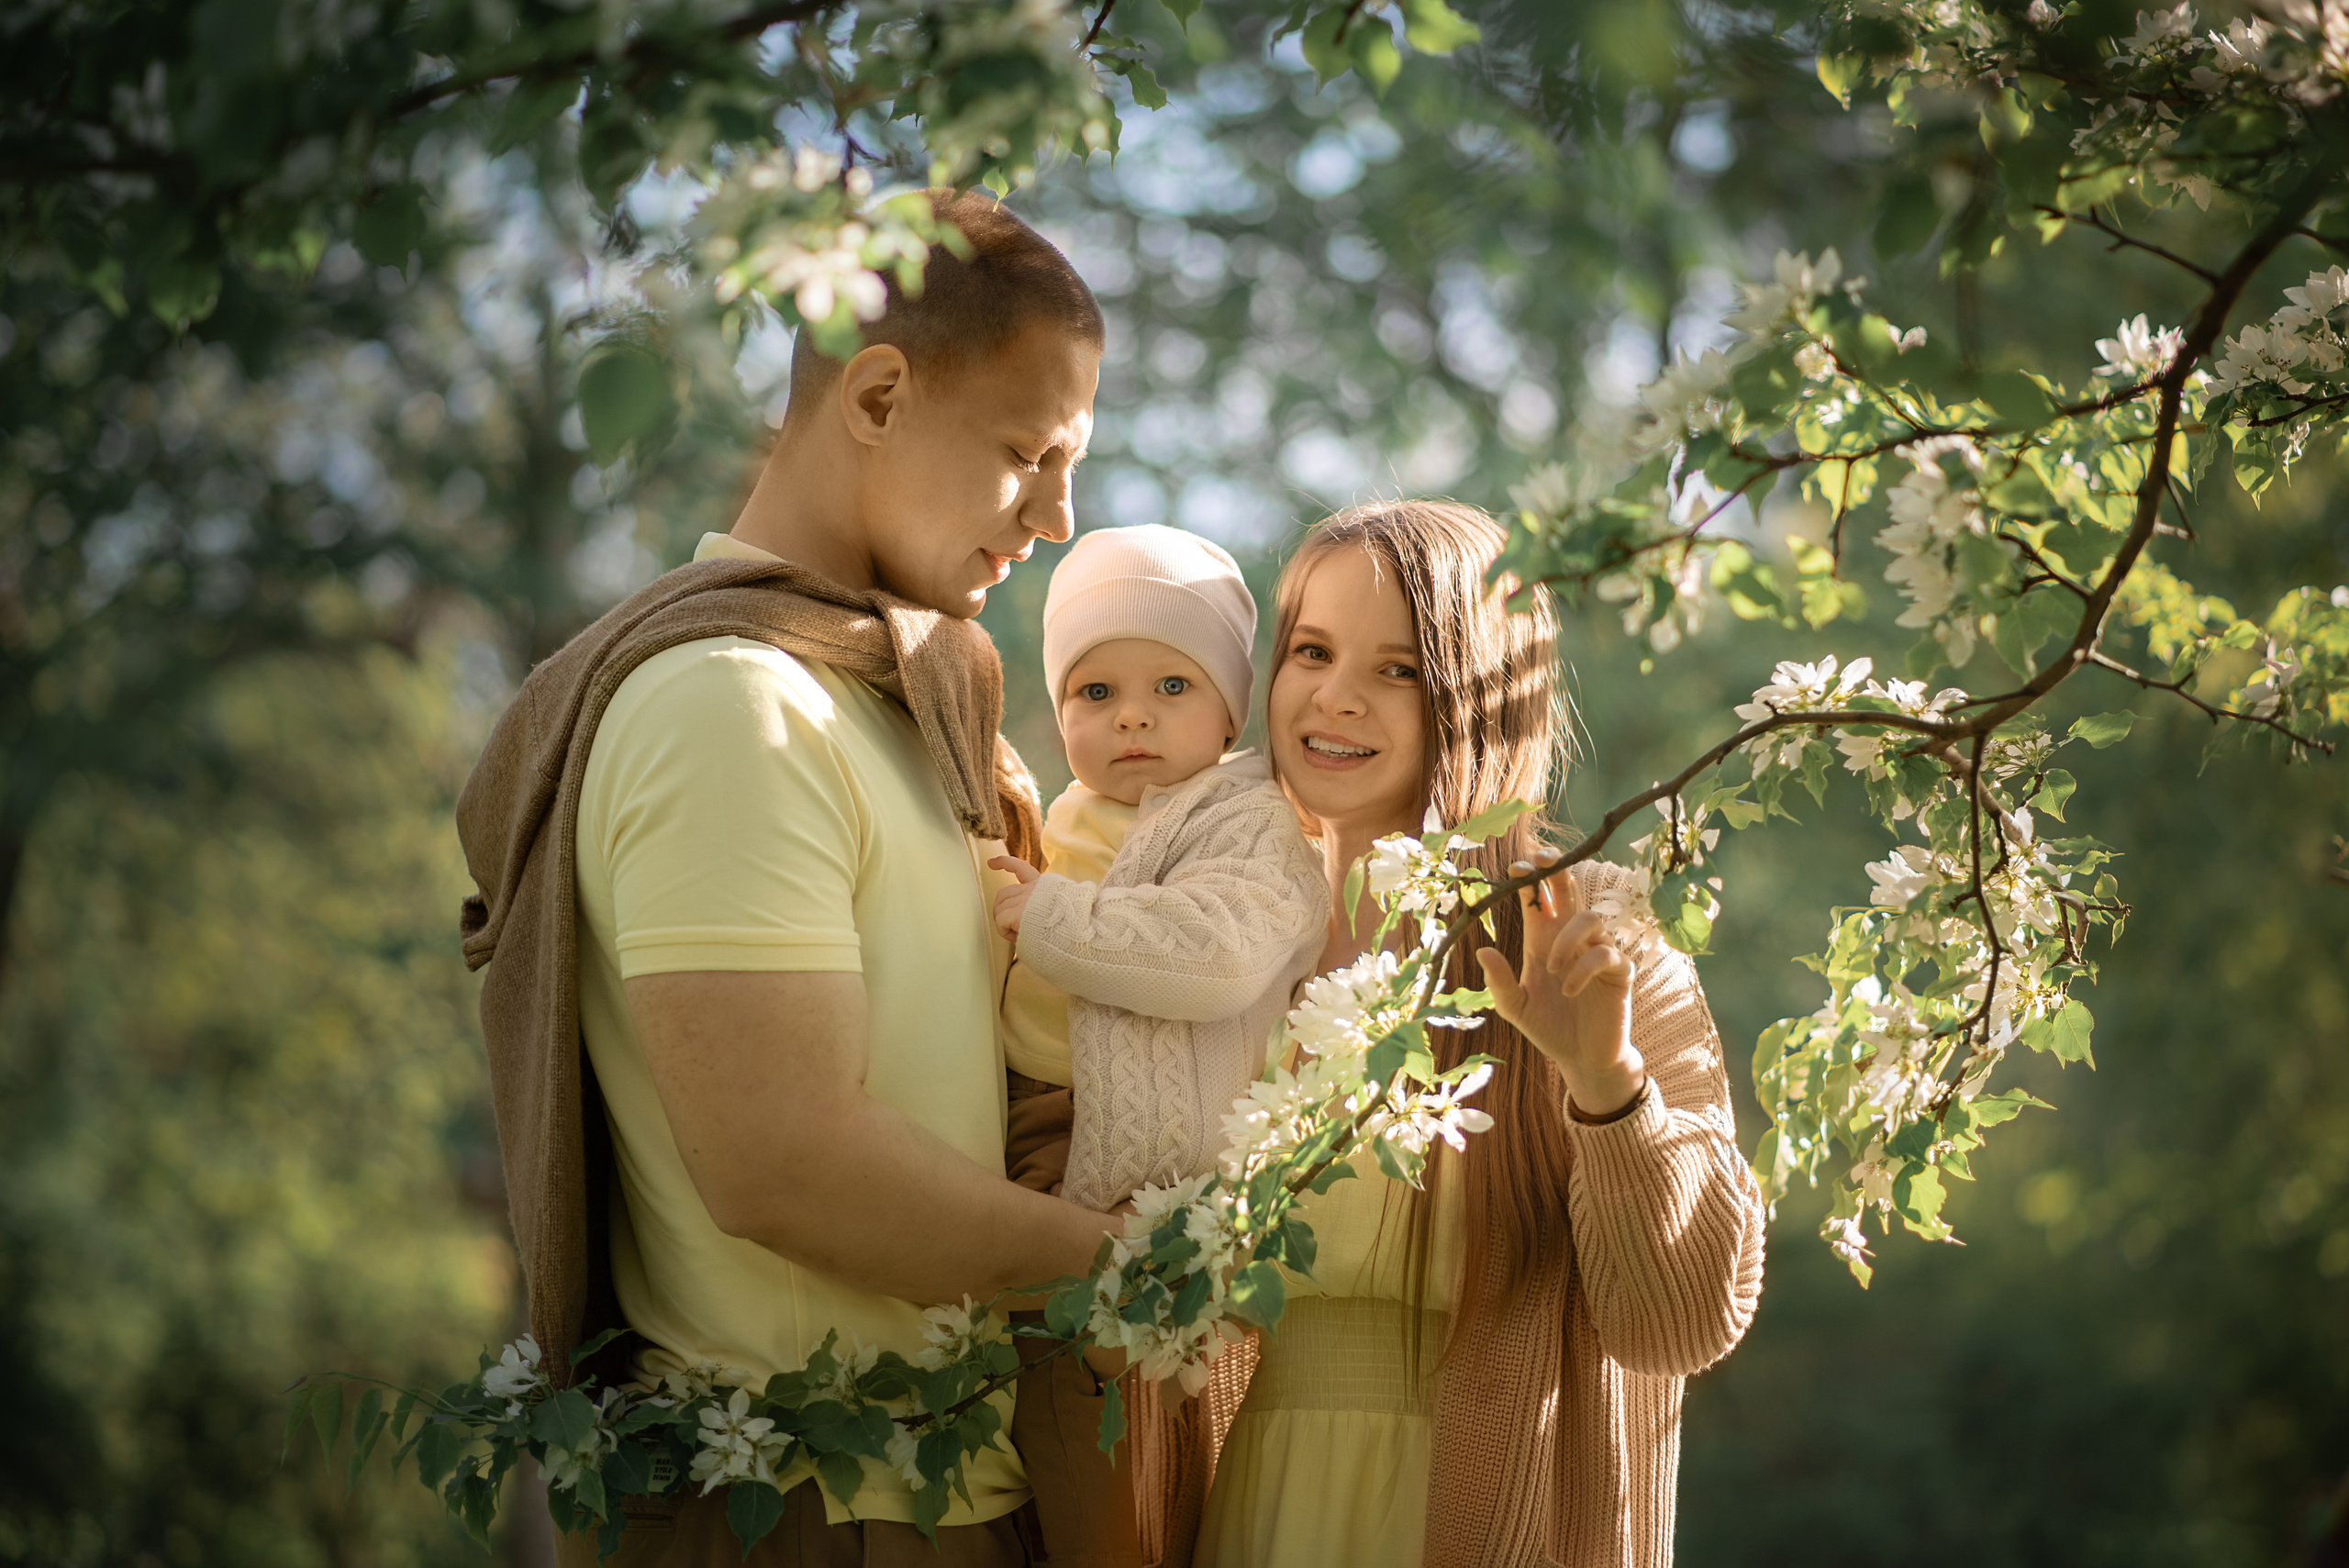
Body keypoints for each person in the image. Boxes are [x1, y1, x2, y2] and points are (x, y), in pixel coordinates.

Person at [455, 190, 1124, 1566]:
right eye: (1027, 452)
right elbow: (786, 1162)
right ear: (876, 395)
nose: (1059, 516)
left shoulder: (891, 698)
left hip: (961, 1503)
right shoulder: (732, 706)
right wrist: (1129, 1270)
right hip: (811, 1523)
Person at [1192, 501, 1766, 1568]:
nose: (1334, 694)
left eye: (1399, 668)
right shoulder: (1221, 934)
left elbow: (1681, 1320)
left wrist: (1609, 1084)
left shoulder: (1588, 932)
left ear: (1480, 696)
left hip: (1500, 1506)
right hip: (1259, 1498)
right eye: (1309, 651)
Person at [989, 525, 1327, 1565]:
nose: (1131, 713)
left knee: (1108, 1422)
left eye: (1171, 685)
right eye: (1094, 694)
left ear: (1232, 705)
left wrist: (1041, 914)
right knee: (1037, 1407)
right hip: (1030, 1124)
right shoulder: (1057, 814)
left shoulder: (1248, 814)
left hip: (1139, 1163)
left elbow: (1211, 954)